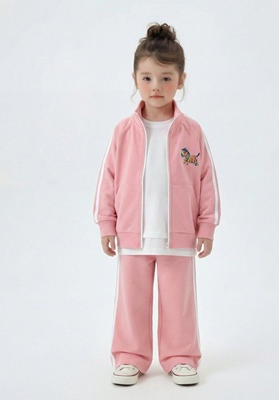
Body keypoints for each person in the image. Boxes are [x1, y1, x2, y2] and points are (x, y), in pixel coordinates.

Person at [93, 22, 220, 386]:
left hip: (178, 237)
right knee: (131, 302)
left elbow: (206, 182)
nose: (156, 87)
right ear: (135, 79)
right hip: (132, 236)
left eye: (166, 78)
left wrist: (206, 227)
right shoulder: (123, 131)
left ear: (181, 80)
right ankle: (130, 356)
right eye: (147, 78)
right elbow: (107, 180)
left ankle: (180, 357)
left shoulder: (192, 132)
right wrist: (106, 224)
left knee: (179, 302)